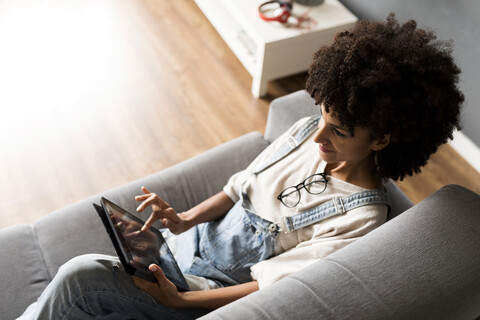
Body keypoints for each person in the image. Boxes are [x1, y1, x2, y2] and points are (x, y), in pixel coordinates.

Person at [18, 14, 463, 320]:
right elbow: (240, 188)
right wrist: (181, 219)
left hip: (197, 293)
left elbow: (271, 284)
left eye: (339, 131)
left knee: (79, 276)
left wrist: (179, 303)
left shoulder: (362, 218)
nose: (316, 137)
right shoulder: (308, 133)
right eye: (322, 116)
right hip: (173, 254)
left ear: (382, 138)